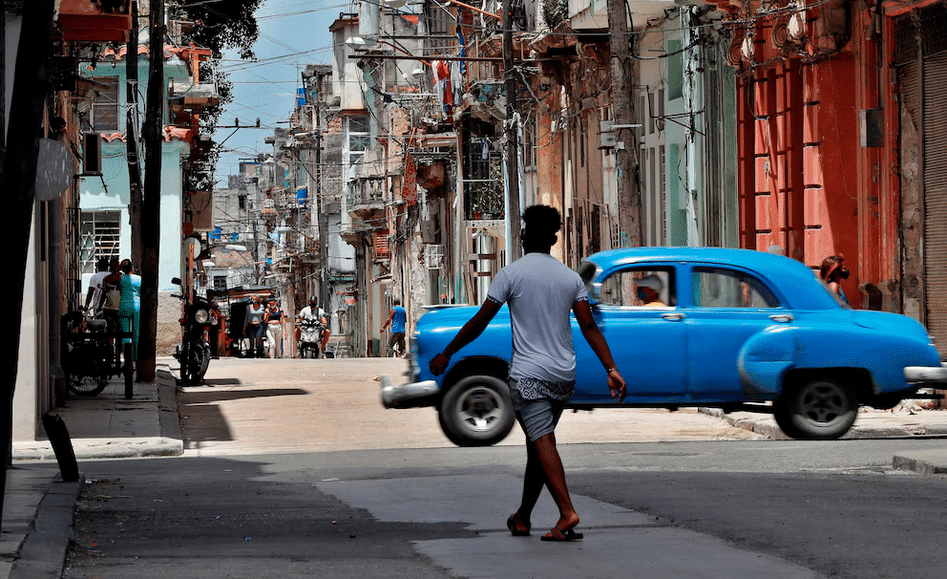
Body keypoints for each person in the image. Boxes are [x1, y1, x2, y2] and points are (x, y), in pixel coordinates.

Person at [429, 205, 626, 542]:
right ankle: (522, 517)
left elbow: (480, 321)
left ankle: (567, 513)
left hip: (529, 376)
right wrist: (612, 368)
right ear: (552, 238)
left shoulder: (511, 274)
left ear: (524, 235)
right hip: (563, 376)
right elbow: (590, 327)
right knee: (539, 445)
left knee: (542, 442)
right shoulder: (570, 278)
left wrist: (448, 352)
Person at [107, 259, 140, 361]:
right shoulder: (139, 279)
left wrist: (118, 270)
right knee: (136, 332)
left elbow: (107, 280)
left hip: (124, 306)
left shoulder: (120, 279)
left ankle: (127, 358)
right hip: (137, 306)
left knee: (125, 332)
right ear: (132, 268)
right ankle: (135, 357)